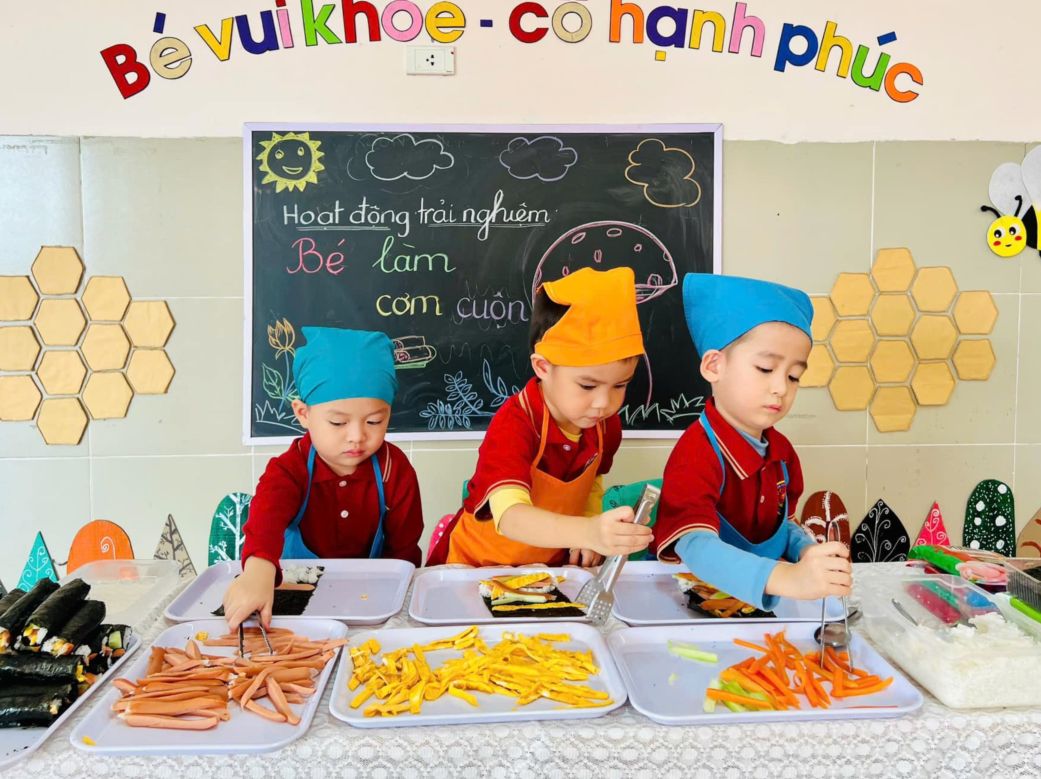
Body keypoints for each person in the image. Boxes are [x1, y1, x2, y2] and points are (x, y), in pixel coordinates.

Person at [427, 267, 654, 567]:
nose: (604, 403)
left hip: (546, 572)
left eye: (620, 385)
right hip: (474, 568)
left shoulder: (605, 427)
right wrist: (588, 531)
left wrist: (588, 526)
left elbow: (592, 483)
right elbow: (510, 516)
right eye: (587, 386)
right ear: (543, 367)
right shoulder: (515, 423)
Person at [653, 274, 852, 609]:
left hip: (754, 605)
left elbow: (783, 526)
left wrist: (806, 552)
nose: (781, 388)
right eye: (765, 368)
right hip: (690, 602)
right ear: (714, 366)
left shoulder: (783, 454)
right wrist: (786, 578)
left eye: (794, 376)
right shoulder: (696, 454)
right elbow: (694, 545)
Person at [223, 327, 423, 630]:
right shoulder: (290, 469)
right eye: (338, 422)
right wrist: (258, 571)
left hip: (369, 604)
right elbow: (266, 518)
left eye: (374, 421)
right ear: (303, 414)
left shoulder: (395, 471)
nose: (357, 436)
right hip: (294, 601)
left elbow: (404, 553)